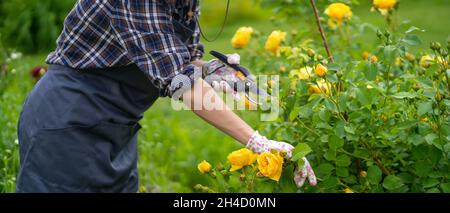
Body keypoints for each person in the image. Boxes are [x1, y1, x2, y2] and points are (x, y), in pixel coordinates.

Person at [16, 0, 316, 193]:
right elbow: (181, 83)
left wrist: (214, 71)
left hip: (116, 127)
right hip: (68, 122)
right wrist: (257, 142)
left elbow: (174, 60)